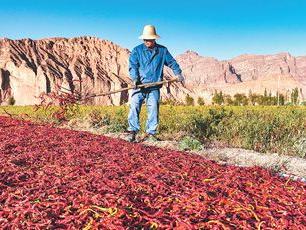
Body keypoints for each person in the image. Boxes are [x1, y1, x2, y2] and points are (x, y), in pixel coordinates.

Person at [127, 25, 184, 142]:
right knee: (134, 105)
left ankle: (151, 134)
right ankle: (132, 131)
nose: (147, 41)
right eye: (145, 39)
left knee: (153, 109)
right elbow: (133, 66)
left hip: (154, 86)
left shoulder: (162, 51)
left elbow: (172, 62)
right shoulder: (137, 50)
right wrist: (134, 79)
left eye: (149, 39)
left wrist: (178, 73)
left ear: (154, 39)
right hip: (139, 85)